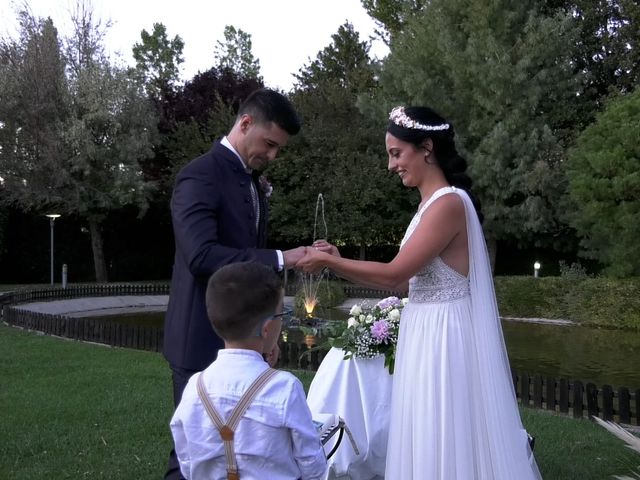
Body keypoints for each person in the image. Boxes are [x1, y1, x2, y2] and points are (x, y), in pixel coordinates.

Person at [299, 106, 542, 479]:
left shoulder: (448, 203)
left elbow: (394, 273)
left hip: (445, 334)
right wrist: (339, 257)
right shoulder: (426, 208)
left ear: (426, 147)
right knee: (425, 425)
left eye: (396, 153)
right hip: (424, 328)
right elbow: (401, 283)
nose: (390, 165)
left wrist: (331, 263)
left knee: (445, 427)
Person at [163, 87, 307, 479]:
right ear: (245, 123)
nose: (273, 156)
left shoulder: (252, 181)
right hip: (200, 338)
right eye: (270, 144)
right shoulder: (199, 175)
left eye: (279, 148)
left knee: (244, 454)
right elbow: (201, 256)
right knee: (191, 457)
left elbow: (247, 263)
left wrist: (268, 337)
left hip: (247, 341)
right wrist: (281, 258)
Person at [170, 261, 328, 479]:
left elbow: (186, 462)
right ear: (266, 328)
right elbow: (312, 464)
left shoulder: (195, 386)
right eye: (281, 316)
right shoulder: (285, 387)